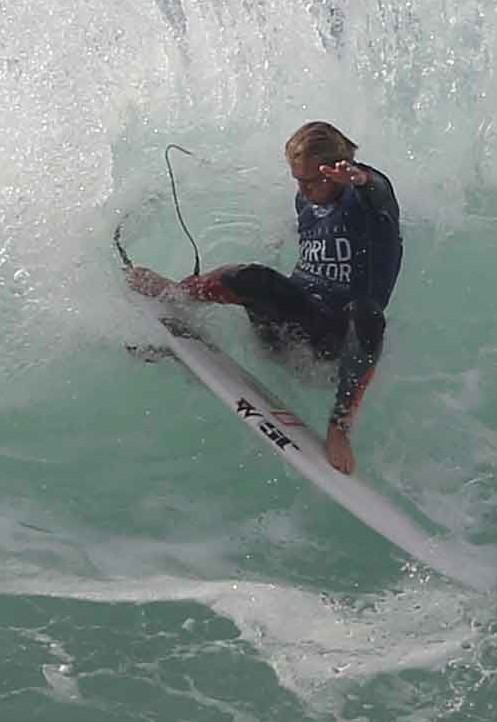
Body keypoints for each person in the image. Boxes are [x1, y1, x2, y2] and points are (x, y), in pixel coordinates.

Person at [130, 119, 402, 474]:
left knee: (368, 315)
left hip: (330, 344)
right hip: (288, 327)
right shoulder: (305, 203)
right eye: (297, 180)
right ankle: (175, 294)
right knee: (252, 277)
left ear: (335, 171)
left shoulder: (368, 202)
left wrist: (360, 178)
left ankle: (340, 426)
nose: (303, 190)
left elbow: (376, 188)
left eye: (310, 180)